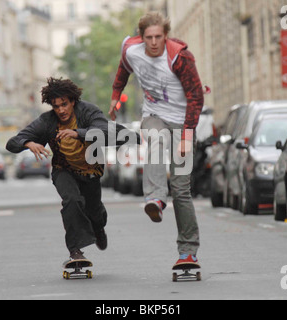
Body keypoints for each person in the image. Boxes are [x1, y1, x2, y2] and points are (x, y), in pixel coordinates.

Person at [109, 12, 204, 267]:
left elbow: (196, 97)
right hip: (154, 115)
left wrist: (186, 136)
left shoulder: (180, 57)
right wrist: (115, 97)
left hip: (183, 121)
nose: (153, 43)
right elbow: (122, 71)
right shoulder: (131, 50)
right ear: (142, 37)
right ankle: (155, 199)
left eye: (158, 37)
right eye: (149, 37)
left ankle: (188, 251)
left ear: (166, 35)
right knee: (154, 139)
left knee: (182, 190)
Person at [6, 77, 136, 265]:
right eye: (56, 106)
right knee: (72, 201)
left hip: (90, 171)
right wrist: (28, 142)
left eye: (64, 104)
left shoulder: (88, 112)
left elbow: (105, 130)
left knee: (94, 212)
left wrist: (78, 133)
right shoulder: (47, 121)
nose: (61, 110)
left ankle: (98, 228)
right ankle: (75, 251)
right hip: (63, 170)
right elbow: (12, 142)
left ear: (73, 101)